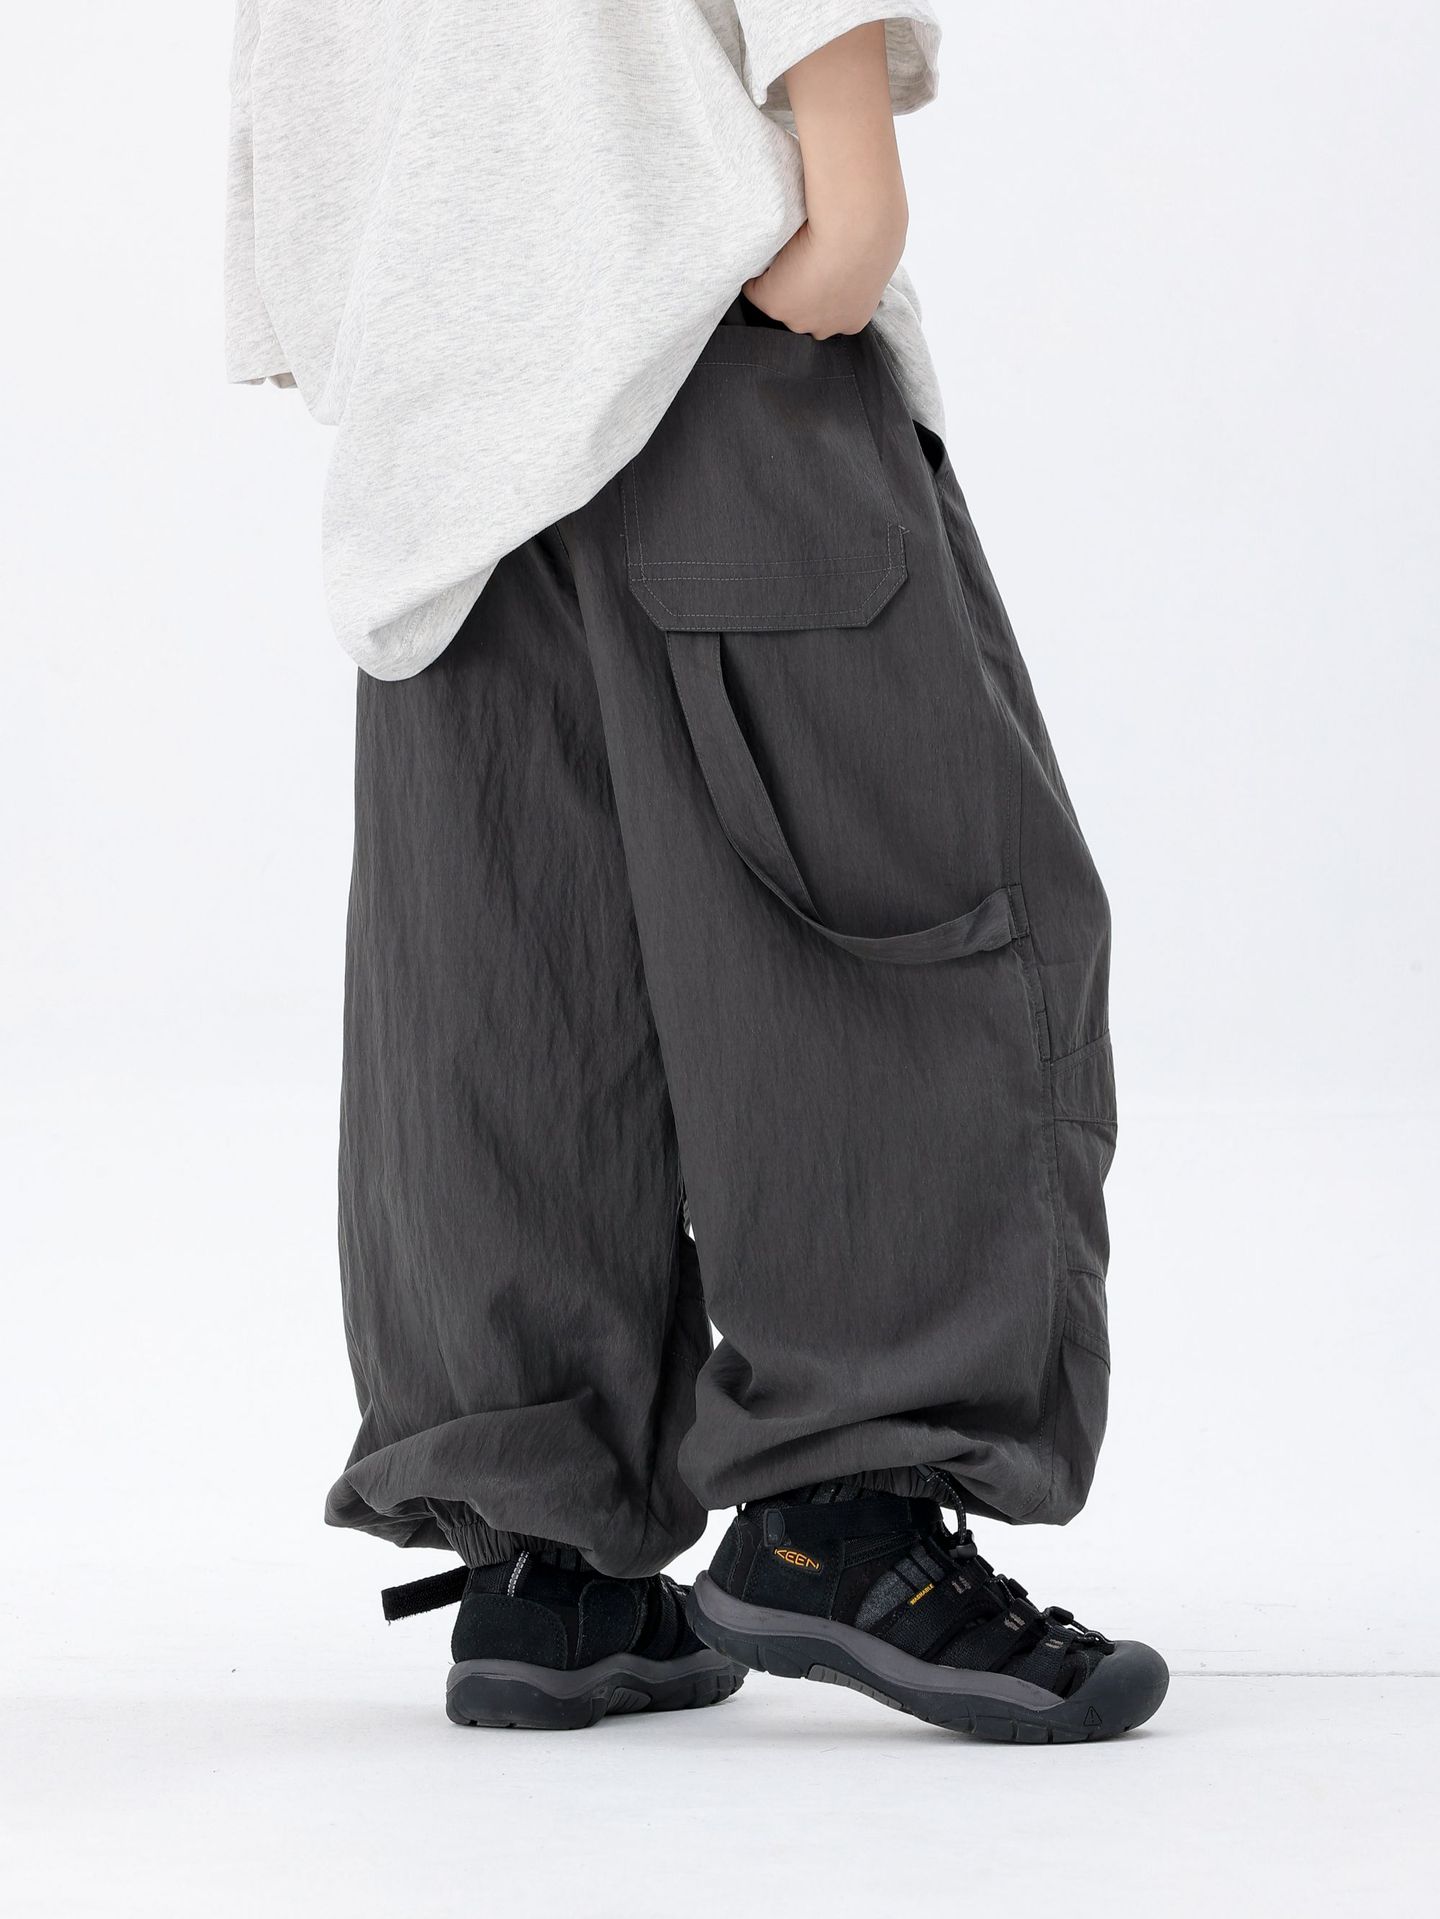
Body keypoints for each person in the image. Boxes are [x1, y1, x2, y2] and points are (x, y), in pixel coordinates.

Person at [227, 1, 1167, 1742]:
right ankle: (848, 1520)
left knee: (512, 995)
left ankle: (547, 1571)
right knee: (892, 936)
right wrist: (840, 206)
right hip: (698, 355)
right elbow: (833, 179)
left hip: (438, 428)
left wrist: (396, 321)